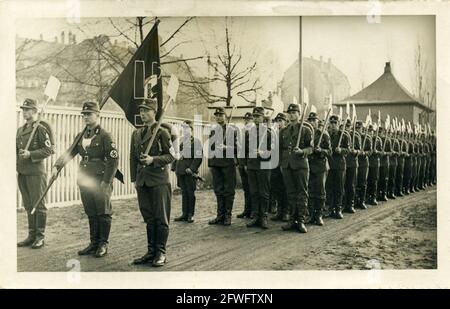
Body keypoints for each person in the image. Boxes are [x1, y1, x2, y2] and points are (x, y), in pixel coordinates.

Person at [53, 101, 118, 257]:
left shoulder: (105, 135)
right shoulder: (81, 135)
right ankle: (93, 242)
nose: (86, 117)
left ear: (98, 115)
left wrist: (107, 181)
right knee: (91, 211)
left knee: (103, 212)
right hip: (85, 178)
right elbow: (70, 152)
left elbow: (113, 160)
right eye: (84, 114)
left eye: (89, 114)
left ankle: (103, 244)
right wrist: (57, 166)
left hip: (101, 179)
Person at [130, 99, 175, 267]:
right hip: (143, 182)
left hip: (158, 181)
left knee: (161, 218)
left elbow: (171, 156)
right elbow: (132, 158)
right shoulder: (136, 133)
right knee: (149, 218)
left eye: (146, 110)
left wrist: (153, 159)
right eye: (141, 111)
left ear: (154, 112)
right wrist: (135, 179)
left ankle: (161, 252)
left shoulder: (162, 132)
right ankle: (151, 251)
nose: (142, 114)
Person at [17, 98, 54, 249]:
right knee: (28, 205)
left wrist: (31, 154)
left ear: (35, 111)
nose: (25, 112)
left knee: (38, 205)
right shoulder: (21, 130)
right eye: (23, 109)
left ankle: (40, 236)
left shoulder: (40, 128)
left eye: (28, 109)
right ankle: (31, 235)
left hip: (36, 173)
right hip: (23, 172)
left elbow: (49, 150)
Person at [279, 103, 313, 233]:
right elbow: (281, 149)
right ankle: (292, 220)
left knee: (302, 193)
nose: (292, 115)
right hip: (287, 165)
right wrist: (282, 164)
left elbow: (311, 148)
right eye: (290, 113)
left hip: (300, 165)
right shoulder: (284, 131)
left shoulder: (305, 130)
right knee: (291, 193)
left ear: (299, 114)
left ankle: (301, 221)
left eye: (294, 113)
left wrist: (302, 151)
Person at [208, 107, 239, 226]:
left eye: (221, 115)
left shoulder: (232, 130)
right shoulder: (214, 131)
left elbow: (239, 148)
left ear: (225, 116)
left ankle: (227, 216)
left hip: (227, 164)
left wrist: (227, 148)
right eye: (217, 115)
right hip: (216, 164)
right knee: (218, 190)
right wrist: (211, 164)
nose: (218, 117)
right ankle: (219, 216)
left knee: (228, 190)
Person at [245, 107, 273, 229]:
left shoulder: (269, 133)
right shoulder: (249, 132)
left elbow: (273, 151)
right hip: (252, 166)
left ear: (263, 117)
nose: (256, 119)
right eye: (254, 116)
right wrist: (246, 163)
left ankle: (264, 217)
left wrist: (262, 152)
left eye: (258, 116)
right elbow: (245, 150)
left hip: (264, 165)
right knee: (254, 192)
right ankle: (256, 216)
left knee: (264, 192)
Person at [172, 120, 203, 223]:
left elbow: (198, 158)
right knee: (184, 193)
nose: (185, 130)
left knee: (190, 193)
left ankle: (190, 214)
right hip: (180, 171)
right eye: (183, 128)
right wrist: (174, 167)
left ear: (191, 129)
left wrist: (192, 169)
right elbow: (176, 155)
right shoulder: (180, 141)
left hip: (189, 172)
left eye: (187, 128)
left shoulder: (196, 142)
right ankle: (184, 214)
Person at [307, 113, 331, 226]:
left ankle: (319, 215)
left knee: (320, 191)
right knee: (311, 191)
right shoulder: (306, 133)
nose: (312, 122)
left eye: (314, 120)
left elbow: (329, 152)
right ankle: (312, 215)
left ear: (317, 121)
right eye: (310, 120)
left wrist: (320, 150)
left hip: (321, 166)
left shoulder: (324, 134)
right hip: (309, 165)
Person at [326, 115, 350, 219]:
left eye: (335, 123)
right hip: (329, 164)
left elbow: (348, 150)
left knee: (339, 188)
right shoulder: (326, 135)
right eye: (331, 123)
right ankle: (331, 208)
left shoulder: (344, 135)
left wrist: (341, 151)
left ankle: (338, 209)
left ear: (338, 124)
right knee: (329, 187)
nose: (333, 125)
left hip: (339, 164)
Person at [270, 113, 289, 222]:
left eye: (281, 120)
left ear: (285, 122)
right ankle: (280, 211)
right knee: (277, 188)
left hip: (284, 164)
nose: (279, 123)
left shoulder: (287, 133)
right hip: (274, 165)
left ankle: (286, 211)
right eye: (277, 121)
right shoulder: (274, 133)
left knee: (286, 188)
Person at [236, 112, 253, 219]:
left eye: (249, 120)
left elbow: (249, 150)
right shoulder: (242, 132)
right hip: (241, 163)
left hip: (249, 164)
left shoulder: (253, 133)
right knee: (246, 188)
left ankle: (253, 211)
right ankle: (247, 210)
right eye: (245, 120)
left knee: (252, 188)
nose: (247, 122)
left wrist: (246, 163)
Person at [343, 119, 361, 213]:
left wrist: (355, 152)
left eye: (348, 126)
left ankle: (350, 204)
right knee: (343, 185)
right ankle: (343, 204)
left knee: (351, 185)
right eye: (345, 126)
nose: (346, 128)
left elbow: (360, 150)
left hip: (352, 163)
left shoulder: (355, 136)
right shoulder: (341, 135)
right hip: (343, 163)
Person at [355, 121, 372, 209]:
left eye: (359, 128)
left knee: (362, 182)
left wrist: (364, 153)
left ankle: (362, 201)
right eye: (356, 128)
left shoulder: (367, 138)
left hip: (363, 163)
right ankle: (356, 200)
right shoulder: (354, 137)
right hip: (355, 162)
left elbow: (370, 151)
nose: (358, 130)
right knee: (355, 182)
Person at [366, 125, 382, 205]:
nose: (370, 132)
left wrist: (376, 152)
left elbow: (381, 153)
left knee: (374, 180)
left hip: (375, 163)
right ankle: (367, 197)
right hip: (367, 163)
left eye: (371, 131)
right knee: (367, 181)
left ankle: (373, 197)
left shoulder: (378, 140)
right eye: (368, 131)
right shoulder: (365, 139)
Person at [377, 126, 391, 202]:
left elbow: (390, 152)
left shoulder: (387, 140)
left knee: (384, 179)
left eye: (380, 132)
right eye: (378, 132)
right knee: (378, 179)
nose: (379, 134)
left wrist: (385, 153)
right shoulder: (376, 140)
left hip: (385, 162)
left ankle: (384, 194)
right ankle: (378, 194)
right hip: (378, 162)